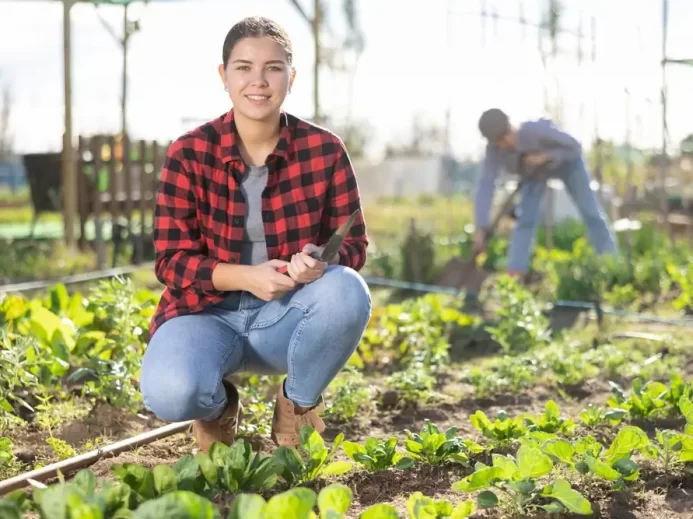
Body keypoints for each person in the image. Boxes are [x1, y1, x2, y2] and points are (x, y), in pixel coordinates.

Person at [139, 16, 372, 452]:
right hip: (203, 314)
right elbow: (171, 261)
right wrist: (248, 277)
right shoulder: (189, 153)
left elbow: (354, 245)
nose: (259, 81)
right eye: (244, 67)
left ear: (291, 77)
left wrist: (318, 264)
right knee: (170, 391)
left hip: (285, 316)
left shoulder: (324, 150)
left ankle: (295, 405)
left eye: (274, 68)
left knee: (347, 291)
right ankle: (218, 409)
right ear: (224, 76)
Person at [473, 108, 618, 274]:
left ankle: (611, 264)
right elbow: (486, 185)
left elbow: (574, 147)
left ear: (510, 126)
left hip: (568, 164)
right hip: (533, 174)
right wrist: (481, 227)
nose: (506, 142)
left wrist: (545, 156)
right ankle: (516, 272)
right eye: (500, 140)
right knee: (525, 220)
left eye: (507, 134)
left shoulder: (536, 131)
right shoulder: (494, 151)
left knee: (590, 212)